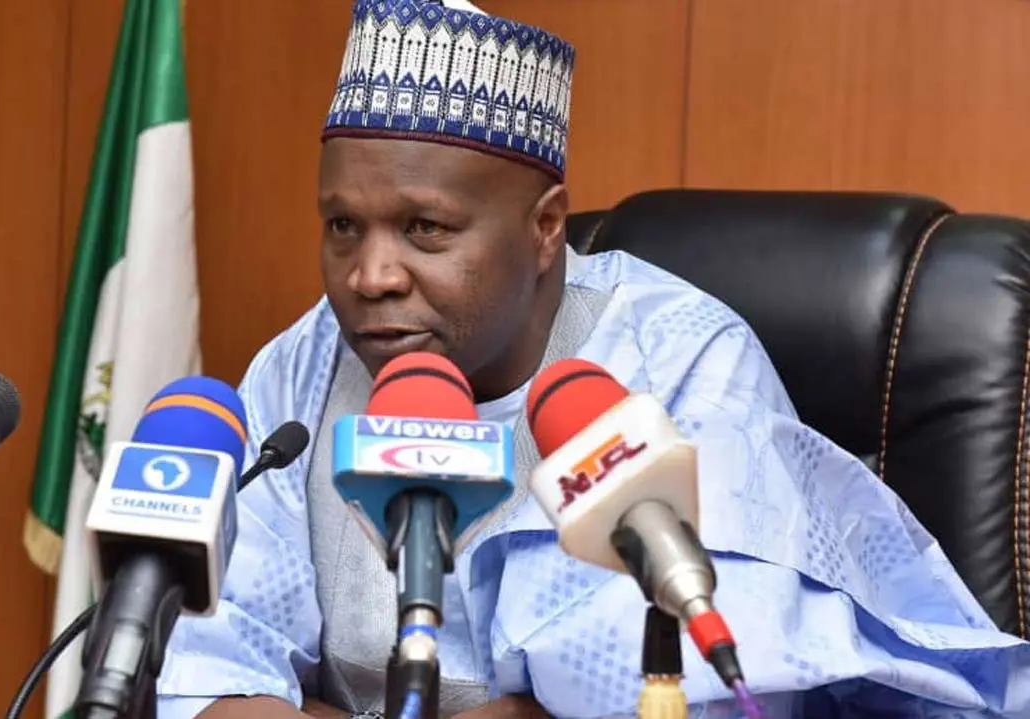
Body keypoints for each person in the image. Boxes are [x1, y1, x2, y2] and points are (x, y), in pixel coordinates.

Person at [157, 1, 1030, 717]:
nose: (371, 274)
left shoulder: (682, 361)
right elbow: (209, 671)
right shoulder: (302, 365)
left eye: (424, 228)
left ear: (545, 227)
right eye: (343, 225)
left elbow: (671, 688)